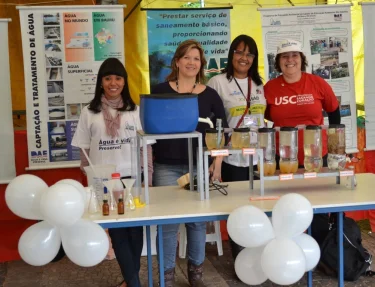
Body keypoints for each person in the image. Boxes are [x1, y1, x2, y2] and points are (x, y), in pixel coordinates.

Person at [152, 39, 228, 287]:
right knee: (167, 224)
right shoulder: (159, 91)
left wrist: (217, 164)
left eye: (196, 59)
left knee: (197, 223)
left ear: (201, 64)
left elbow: (221, 133)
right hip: (166, 166)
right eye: (187, 57)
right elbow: (150, 130)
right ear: (177, 61)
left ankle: (196, 275)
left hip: (199, 165)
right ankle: (166, 276)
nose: (192, 62)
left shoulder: (211, 95)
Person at [72, 58, 153, 287]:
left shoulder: (135, 111)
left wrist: (148, 175)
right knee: (118, 232)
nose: (113, 83)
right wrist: (89, 176)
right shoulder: (89, 112)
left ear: (125, 82)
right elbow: (84, 149)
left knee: (135, 231)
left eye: (118, 78)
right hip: (104, 181)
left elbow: (145, 145)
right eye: (108, 78)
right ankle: (134, 282)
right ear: (101, 82)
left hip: (132, 178)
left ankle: (131, 281)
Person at [207, 34, 266, 260]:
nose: (244, 58)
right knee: (238, 209)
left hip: (259, 157)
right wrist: (217, 159)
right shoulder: (218, 83)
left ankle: (260, 254)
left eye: (249, 53)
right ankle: (242, 258)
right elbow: (214, 126)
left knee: (258, 208)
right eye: (239, 52)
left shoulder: (260, 84)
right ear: (231, 54)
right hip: (233, 157)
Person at [264, 39, 341, 167]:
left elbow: (334, 112)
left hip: (317, 156)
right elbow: (264, 116)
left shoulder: (318, 83)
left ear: (301, 59)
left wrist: (334, 146)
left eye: (295, 55)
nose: (290, 60)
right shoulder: (269, 88)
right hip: (282, 157)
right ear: (278, 61)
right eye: (284, 56)